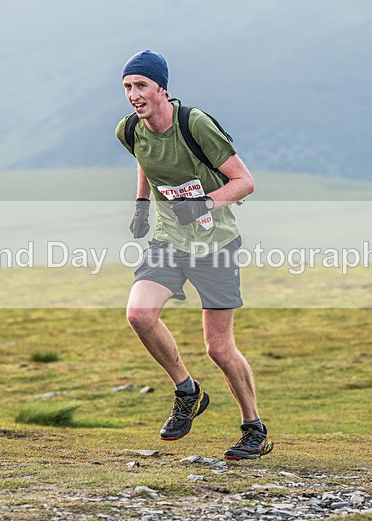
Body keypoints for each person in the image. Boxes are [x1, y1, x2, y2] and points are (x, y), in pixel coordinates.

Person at [115, 49, 273, 460]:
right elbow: (146, 160)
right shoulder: (130, 129)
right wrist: (140, 205)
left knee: (219, 349)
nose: (134, 94)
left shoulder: (194, 124)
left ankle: (253, 427)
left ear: (161, 88)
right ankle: (187, 390)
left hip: (215, 244)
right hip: (169, 241)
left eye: (141, 85)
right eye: (128, 86)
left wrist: (203, 204)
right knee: (139, 314)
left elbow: (245, 181)